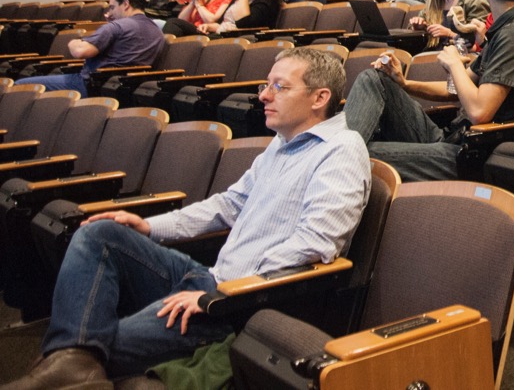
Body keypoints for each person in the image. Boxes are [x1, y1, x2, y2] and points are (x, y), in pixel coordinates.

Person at [1, 47, 370, 387]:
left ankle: (70, 361)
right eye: (265, 84)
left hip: (237, 306)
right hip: (209, 278)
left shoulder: (340, 152)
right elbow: (228, 205)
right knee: (102, 233)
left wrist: (221, 297)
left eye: (279, 87)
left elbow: (316, 244)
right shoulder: (283, 143)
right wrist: (149, 226)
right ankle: (72, 360)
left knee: (97, 345)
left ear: (319, 98)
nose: (263, 96)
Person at [343, 0, 514, 182]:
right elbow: (455, 91)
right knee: (374, 79)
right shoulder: (505, 31)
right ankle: (335, 155)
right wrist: (404, 83)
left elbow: (480, 112)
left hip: (474, 154)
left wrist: (455, 65)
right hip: (453, 138)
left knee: (358, 154)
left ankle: (332, 157)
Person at [22, 0, 165, 96]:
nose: (111, 13)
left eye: (112, 7)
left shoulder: (118, 26)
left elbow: (81, 51)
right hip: (125, 89)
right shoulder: (157, 31)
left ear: (126, 4)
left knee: (19, 86)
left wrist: (73, 42)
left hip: (91, 84)